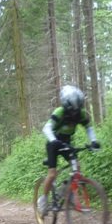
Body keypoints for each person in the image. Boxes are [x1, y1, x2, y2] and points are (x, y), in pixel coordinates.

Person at [38, 85, 100, 214]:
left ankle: (66, 193)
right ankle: (43, 200)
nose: (74, 113)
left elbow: (88, 127)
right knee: (52, 173)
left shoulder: (81, 113)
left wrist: (93, 141)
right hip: (53, 143)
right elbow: (46, 128)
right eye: (72, 110)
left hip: (66, 142)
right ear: (66, 106)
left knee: (77, 168)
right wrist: (53, 140)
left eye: (77, 109)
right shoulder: (59, 112)